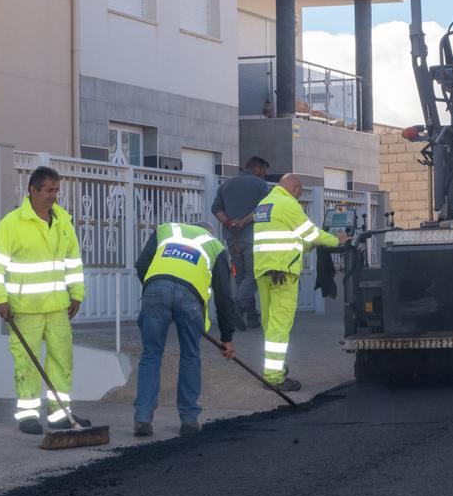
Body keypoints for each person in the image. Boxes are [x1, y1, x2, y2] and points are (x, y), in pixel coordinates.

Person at [0, 166, 89, 435]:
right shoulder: (12, 224)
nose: (54, 195)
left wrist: (76, 294)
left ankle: (59, 414)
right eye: (49, 190)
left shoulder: (63, 222)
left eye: (57, 190)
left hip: (58, 308)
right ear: (32, 190)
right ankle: (28, 415)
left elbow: (74, 263)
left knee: (62, 362)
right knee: (26, 363)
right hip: (24, 309)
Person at [132, 222, 235, 437]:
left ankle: (142, 418)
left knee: (151, 354)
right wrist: (227, 338)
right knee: (190, 355)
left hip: (155, 290)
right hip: (190, 299)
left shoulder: (166, 230)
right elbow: (224, 296)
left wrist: (154, 291)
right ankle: (188, 420)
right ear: (209, 232)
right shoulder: (215, 246)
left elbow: (142, 264)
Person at [253, 174, 340, 391]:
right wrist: (337, 240)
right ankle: (273, 378)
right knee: (280, 325)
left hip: (264, 269)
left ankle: (276, 367)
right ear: (293, 187)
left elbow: (282, 238)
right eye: (300, 191)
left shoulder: (264, 205)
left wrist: (306, 246)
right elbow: (310, 233)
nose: (300, 196)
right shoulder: (287, 204)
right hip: (283, 272)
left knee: (269, 322)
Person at [212, 156, 271, 330]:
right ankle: (236, 307)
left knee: (240, 277)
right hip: (253, 238)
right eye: (264, 172)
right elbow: (264, 209)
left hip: (232, 239)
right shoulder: (261, 185)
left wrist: (229, 222)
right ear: (258, 169)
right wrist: (243, 222)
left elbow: (216, 209)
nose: (264, 176)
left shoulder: (226, 185)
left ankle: (252, 317)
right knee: (254, 275)